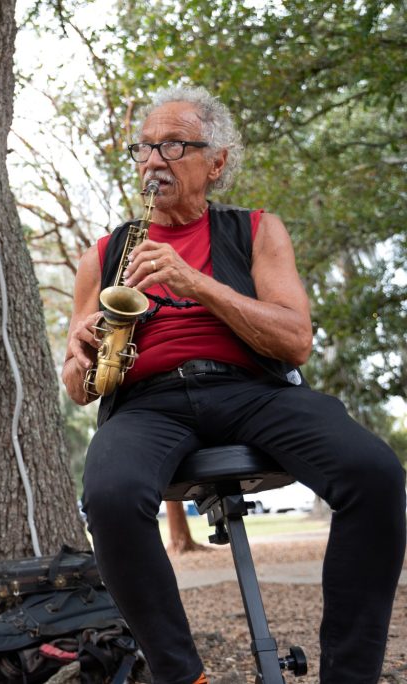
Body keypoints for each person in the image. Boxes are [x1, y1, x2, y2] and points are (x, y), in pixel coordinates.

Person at [61, 85, 405, 684]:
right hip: (147, 403)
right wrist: (82, 348)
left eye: (173, 146)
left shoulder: (256, 230)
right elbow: (77, 388)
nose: (152, 162)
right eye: (144, 148)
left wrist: (196, 284)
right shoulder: (104, 254)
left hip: (255, 391)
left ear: (216, 162)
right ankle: (181, 675)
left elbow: (296, 339)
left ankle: (350, 675)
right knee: (109, 497)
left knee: (375, 473)